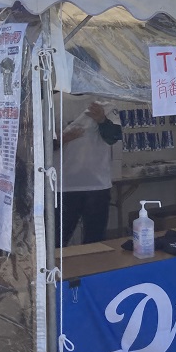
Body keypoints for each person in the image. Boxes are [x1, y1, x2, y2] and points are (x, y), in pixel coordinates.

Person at [57, 98, 123, 247]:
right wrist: (60, 140)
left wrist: (102, 120)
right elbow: (37, 142)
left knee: (96, 240)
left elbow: (115, 137)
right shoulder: (53, 103)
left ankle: (94, 269)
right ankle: (60, 270)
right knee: (58, 240)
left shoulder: (106, 105)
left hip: (97, 185)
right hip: (64, 185)